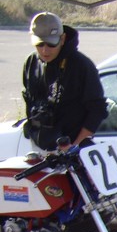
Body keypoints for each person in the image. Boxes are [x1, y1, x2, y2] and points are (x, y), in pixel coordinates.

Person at [21, 12, 107, 151]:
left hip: (71, 148)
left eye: (51, 44)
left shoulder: (81, 65)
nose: (45, 50)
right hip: (38, 145)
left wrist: (75, 147)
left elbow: (98, 110)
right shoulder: (31, 62)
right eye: (39, 43)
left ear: (62, 38)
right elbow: (29, 100)